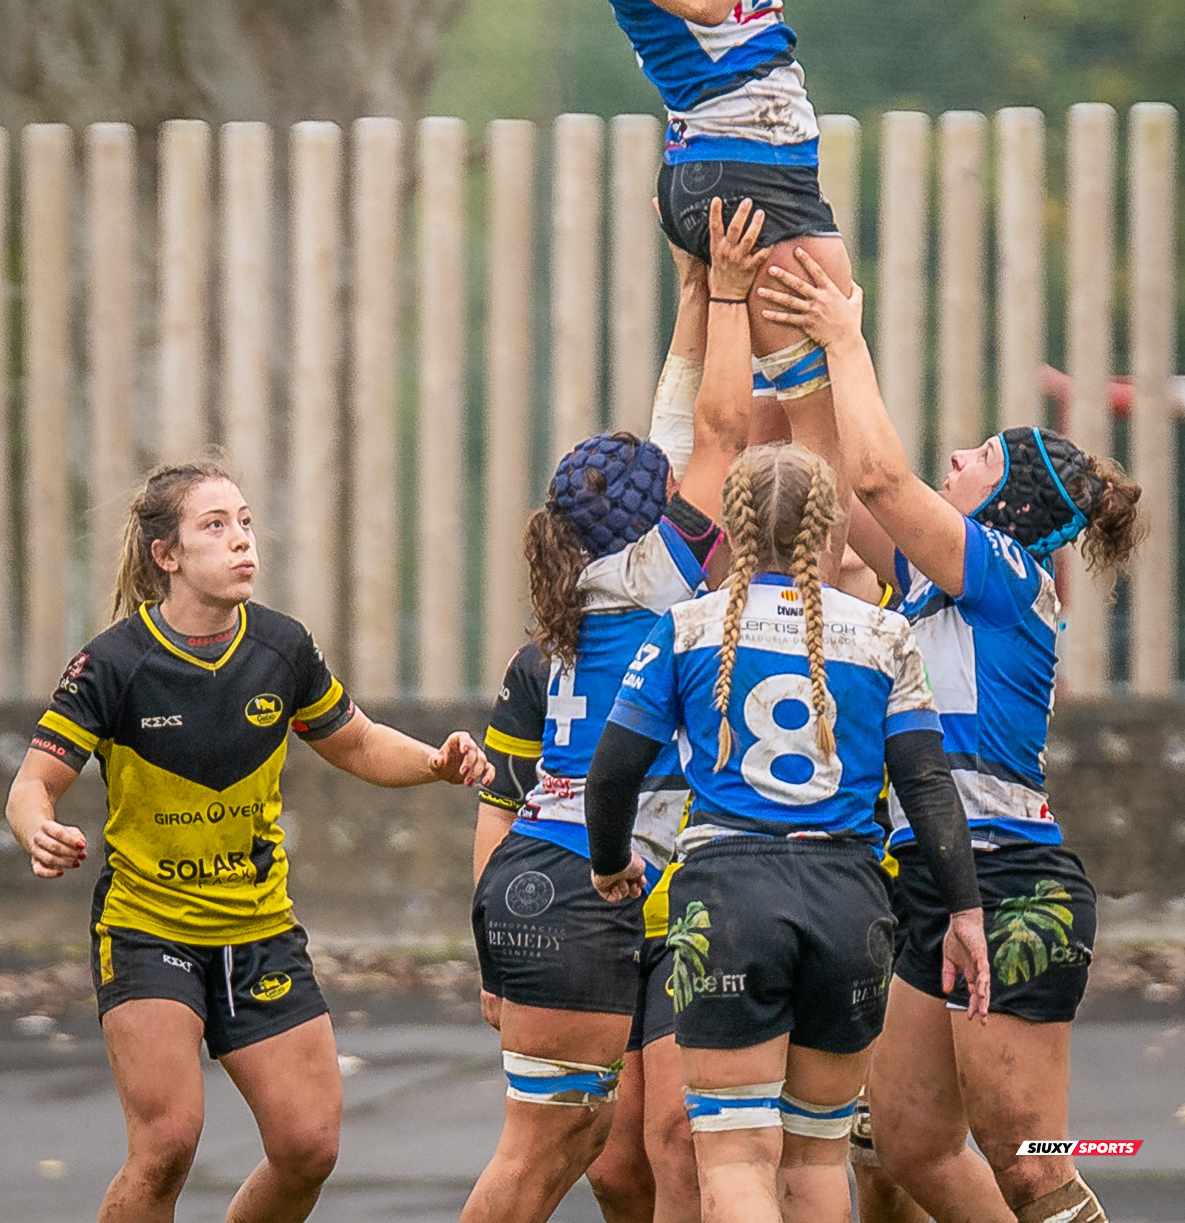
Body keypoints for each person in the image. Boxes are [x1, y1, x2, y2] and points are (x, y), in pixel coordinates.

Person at [762, 252, 1145, 1223]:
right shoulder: (931, 586)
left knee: (1027, 1160)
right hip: (929, 881)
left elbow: (882, 478)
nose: (951, 461)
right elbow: (832, 476)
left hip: (1010, 883)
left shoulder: (1007, 574)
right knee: (904, 1144)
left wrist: (847, 333)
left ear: (1005, 505)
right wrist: (783, 333)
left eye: (972, 457)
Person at [5, 458, 490, 1223]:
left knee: (309, 1147)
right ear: (167, 556)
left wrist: (434, 762)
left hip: (258, 929)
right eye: (216, 525)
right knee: (167, 1144)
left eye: (246, 522)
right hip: (147, 929)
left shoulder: (281, 649)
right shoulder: (113, 665)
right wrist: (40, 830)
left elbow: (356, 742)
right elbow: (31, 786)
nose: (242, 542)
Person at [585, 442, 991, 1223]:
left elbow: (610, 778)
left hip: (728, 900)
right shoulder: (882, 634)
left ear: (731, 531)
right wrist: (965, 911)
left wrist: (611, 867)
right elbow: (926, 788)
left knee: (736, 1156)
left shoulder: (685, 628)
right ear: (833, 527)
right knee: (815, 1155)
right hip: (850, 905)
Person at [464, 197, 769, 1223]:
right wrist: (728, 292)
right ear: (656, 514)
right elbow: (719, 429)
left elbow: (679, 427)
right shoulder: (656, 576)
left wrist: (689, 293)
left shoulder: (597, 572)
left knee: (615, 1143)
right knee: (550, 1154)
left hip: (565, 878)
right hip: (587, 878)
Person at [529, 0, 889, 559]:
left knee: (762, 431)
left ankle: (721, 595)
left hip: (769, 166)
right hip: (737, 168)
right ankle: (819, 621)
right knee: (824, 432)